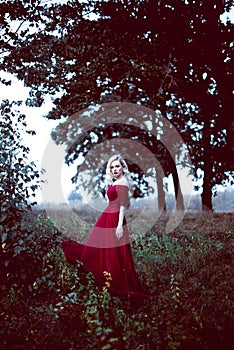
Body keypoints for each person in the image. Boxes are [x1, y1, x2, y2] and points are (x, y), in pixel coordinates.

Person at [62, 154, 147, 299]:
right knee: (97, 248)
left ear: (123, 167)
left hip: (115, 219)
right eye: (112, 167)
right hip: (107, 216)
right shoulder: (116, 182)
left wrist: (119, 226)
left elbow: (122, 206)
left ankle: (114, 284)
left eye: (117, 166)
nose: (114, 169)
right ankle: (102, 279)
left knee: (112, 251)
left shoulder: (123, 182)